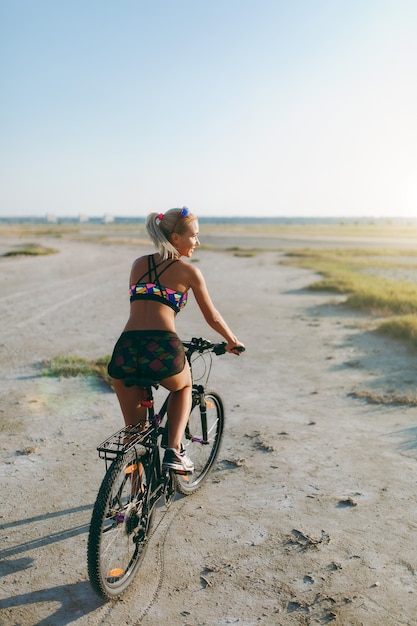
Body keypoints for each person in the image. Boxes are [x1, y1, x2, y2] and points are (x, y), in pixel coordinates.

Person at [108, 207, 245, 474]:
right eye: (193, 236)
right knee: (183, 387)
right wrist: (231, 340)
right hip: (162, 345)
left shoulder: (138, 264)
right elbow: (212, 316)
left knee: (133, 433)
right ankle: (174, 450)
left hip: (126, 348)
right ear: (175, 236)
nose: (197, 242)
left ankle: (134, 497)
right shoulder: (189, 271)